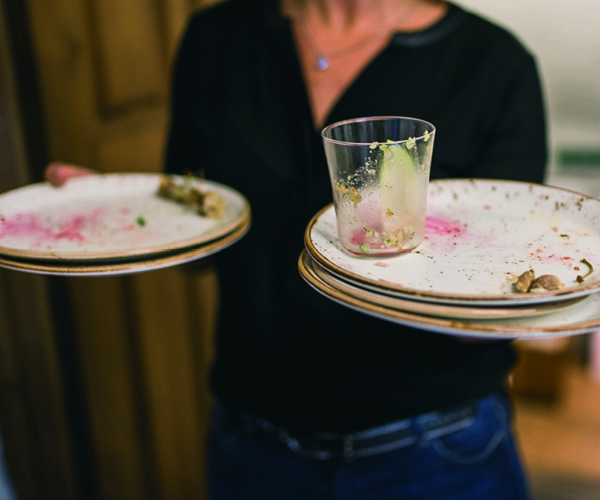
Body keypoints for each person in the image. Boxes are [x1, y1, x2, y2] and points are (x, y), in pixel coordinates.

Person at [46, 0, 548, 498]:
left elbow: (494, 295)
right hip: (252, 448)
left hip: (437, 454)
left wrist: (524, 303)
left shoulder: (495, 64)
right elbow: (201, 232)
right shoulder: (216, 38)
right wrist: (126, 218)